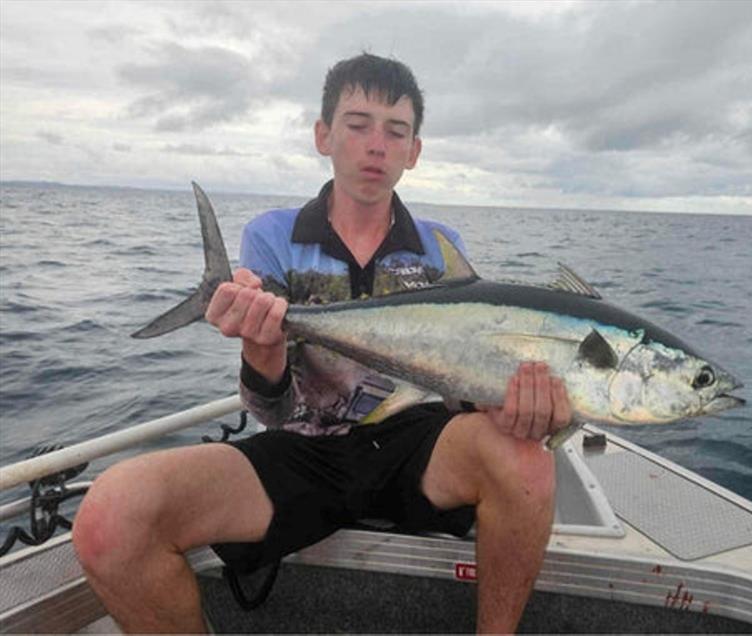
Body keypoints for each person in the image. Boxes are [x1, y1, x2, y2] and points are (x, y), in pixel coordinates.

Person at [72, 53, 572, 634]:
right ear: (323, 135)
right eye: (358, 125)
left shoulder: (442, 247)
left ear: (414, 152)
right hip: (301, 449)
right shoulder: (272, 235)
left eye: (396, 131)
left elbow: (459, 394)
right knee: (111, 517)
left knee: (526, 458)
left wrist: (506, 399)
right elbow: (271, 409)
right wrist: (262, 348)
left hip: (416, 442)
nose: (376, 146)